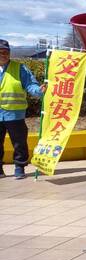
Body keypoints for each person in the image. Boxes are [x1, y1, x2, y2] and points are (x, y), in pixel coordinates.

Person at [0, 40, 45, 179]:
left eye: (6, 52)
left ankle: (20, 167)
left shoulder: (20, 68)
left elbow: (30, 85)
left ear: (9, 53)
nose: (3, 55)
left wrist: (39, 91)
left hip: (15, 114)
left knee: (19, 143)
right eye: (0, 52)